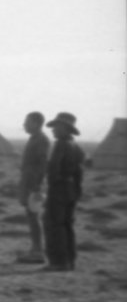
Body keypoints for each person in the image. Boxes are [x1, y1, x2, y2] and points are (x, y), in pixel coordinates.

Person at [41, 112, 85, 272]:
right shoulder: (76, 146)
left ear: (66, 128)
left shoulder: (60, 145)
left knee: (54, 224)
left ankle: (58, 262)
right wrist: (77, 191)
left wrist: (50, 188)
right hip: (71, 190)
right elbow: (79, 173)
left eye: (57, 127)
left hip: (58, 189)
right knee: (67, 225)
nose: (53, 130)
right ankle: (69, 260)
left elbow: (53, 169)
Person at [16, 111, 49, 264]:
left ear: (36, 123)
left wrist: (36, 186)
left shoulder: (41, 140)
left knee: (33, 217)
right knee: (31, 217)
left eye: (27, 122)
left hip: (33, 185)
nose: (24, 125)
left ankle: (38, 251)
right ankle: (35, 249)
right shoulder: (34, 139)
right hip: (29, 183)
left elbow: (42, 164)